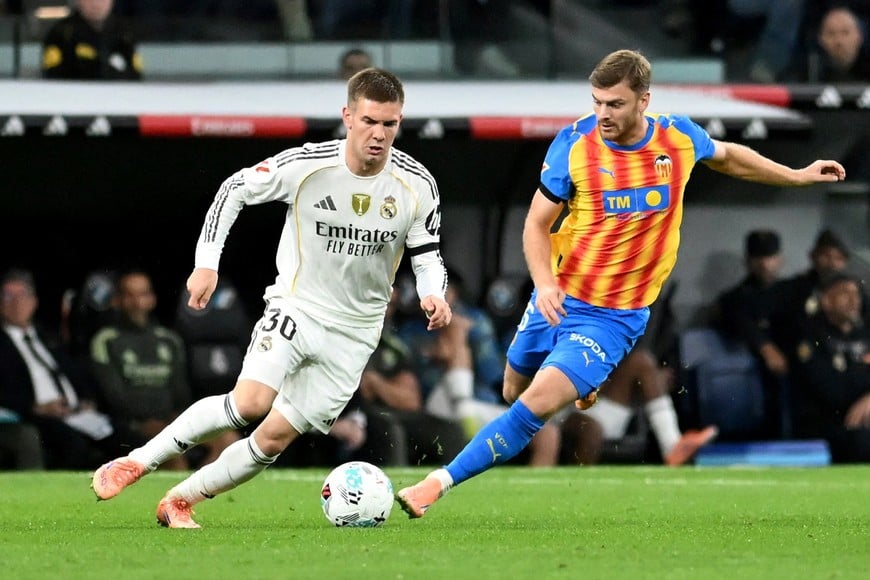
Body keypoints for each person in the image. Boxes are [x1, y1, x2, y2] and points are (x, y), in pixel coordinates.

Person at [395, 48, 846, 519]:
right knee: (512, 388)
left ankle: (437, 483)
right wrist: (545, 285)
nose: (603, 114)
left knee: (532, 406)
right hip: (558, 294)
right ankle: (581, 381)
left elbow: (730, 157)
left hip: (614, 317)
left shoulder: (678, 139)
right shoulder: (574, 145)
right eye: (597, 102)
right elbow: (534, 225)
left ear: (643, 101)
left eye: (615, 104)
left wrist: (796, 175)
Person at [90, 67, 452, 529]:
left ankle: (179, 500)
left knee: (274, 439)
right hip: (297, 306)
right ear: (347, 116)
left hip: (357, 333)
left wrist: (432, 293)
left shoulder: (416, 184)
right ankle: (136, 462)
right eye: (369, 121)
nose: (379, 135)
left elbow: (426, 255)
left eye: (390, 124)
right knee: (250, 403)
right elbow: (233, 190)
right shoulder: (307, 165)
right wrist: (207, 262)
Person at [89, 269, 240, 470]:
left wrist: (174, 420)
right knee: (171, 452)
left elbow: (180, 394)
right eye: (129, 295)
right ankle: (176, 497)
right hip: (131, 424)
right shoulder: (106, 340)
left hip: (169, 420)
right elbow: (114, 398)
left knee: (229, 440)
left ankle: (198, 488)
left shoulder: (169, 341)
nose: (137, 303)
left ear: (152, 299)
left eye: (143, 295)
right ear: (117, 300)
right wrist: (151, 420)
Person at [0, 268, 145, 469]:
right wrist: (35, 407)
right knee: (73, 445)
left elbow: (76, 371)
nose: (16, 302)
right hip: (39, 415)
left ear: (34, 301)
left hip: (76, 412)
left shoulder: (49, 337)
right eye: (8, 296)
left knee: (131, 440)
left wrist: (87, 399)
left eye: (22, 295)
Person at [712, 229, 790, 437]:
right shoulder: (734, 298)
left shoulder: (792, 291)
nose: (765, 264)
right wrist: (766, 348)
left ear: (779, 259)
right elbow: (740, 322)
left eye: (770, 257)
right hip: (753, 369)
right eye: (758, 257)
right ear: (747, 260)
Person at [790, 272, 870, 462]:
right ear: (826, 301)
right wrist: (863, 369)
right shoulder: (810, 337)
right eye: (844, 293)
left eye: (856, 293)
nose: (853, 300)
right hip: (830, 424)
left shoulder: (866, 335)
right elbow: (833, 390)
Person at [41, 0, 142, 80]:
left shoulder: (125, 34)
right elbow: (53, 75)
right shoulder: (61, 34)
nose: (96, 4)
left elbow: (136, 75)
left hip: (117, 100)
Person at [809, 4, 870, 82]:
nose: (839, 41)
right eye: (831, 33)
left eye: (845, 32)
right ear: (820, 39)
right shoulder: (808, 74)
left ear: (859, 37)